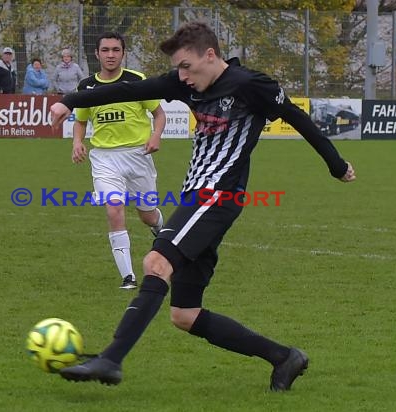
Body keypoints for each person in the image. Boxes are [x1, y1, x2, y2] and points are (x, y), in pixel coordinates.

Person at [50, 21, 356, 391]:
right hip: (197, 195)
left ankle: (110, 360)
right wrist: (69, 101)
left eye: (187, 66)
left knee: (155, 262)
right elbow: (131, 90)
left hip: (218, 196)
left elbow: (297, 118)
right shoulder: (183, 83)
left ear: (210, 55)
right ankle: (284, 357)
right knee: (184, 314)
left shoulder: (250, 85)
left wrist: (336, 165)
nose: (182, 75)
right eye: (178, 67)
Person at [73, 32, 166, 290]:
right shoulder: (87, 87)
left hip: (139, 156)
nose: (111, 54)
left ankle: (160, 228)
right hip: (104, 158)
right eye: (106, 50)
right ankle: (128, 276)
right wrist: (77, 142)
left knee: (147, 215)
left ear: (123, 53)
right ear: (97, 54)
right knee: (114, 208)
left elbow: (159, 114)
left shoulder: (137, 81)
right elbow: (81, 121)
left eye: (116, 50)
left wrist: (156, 136)